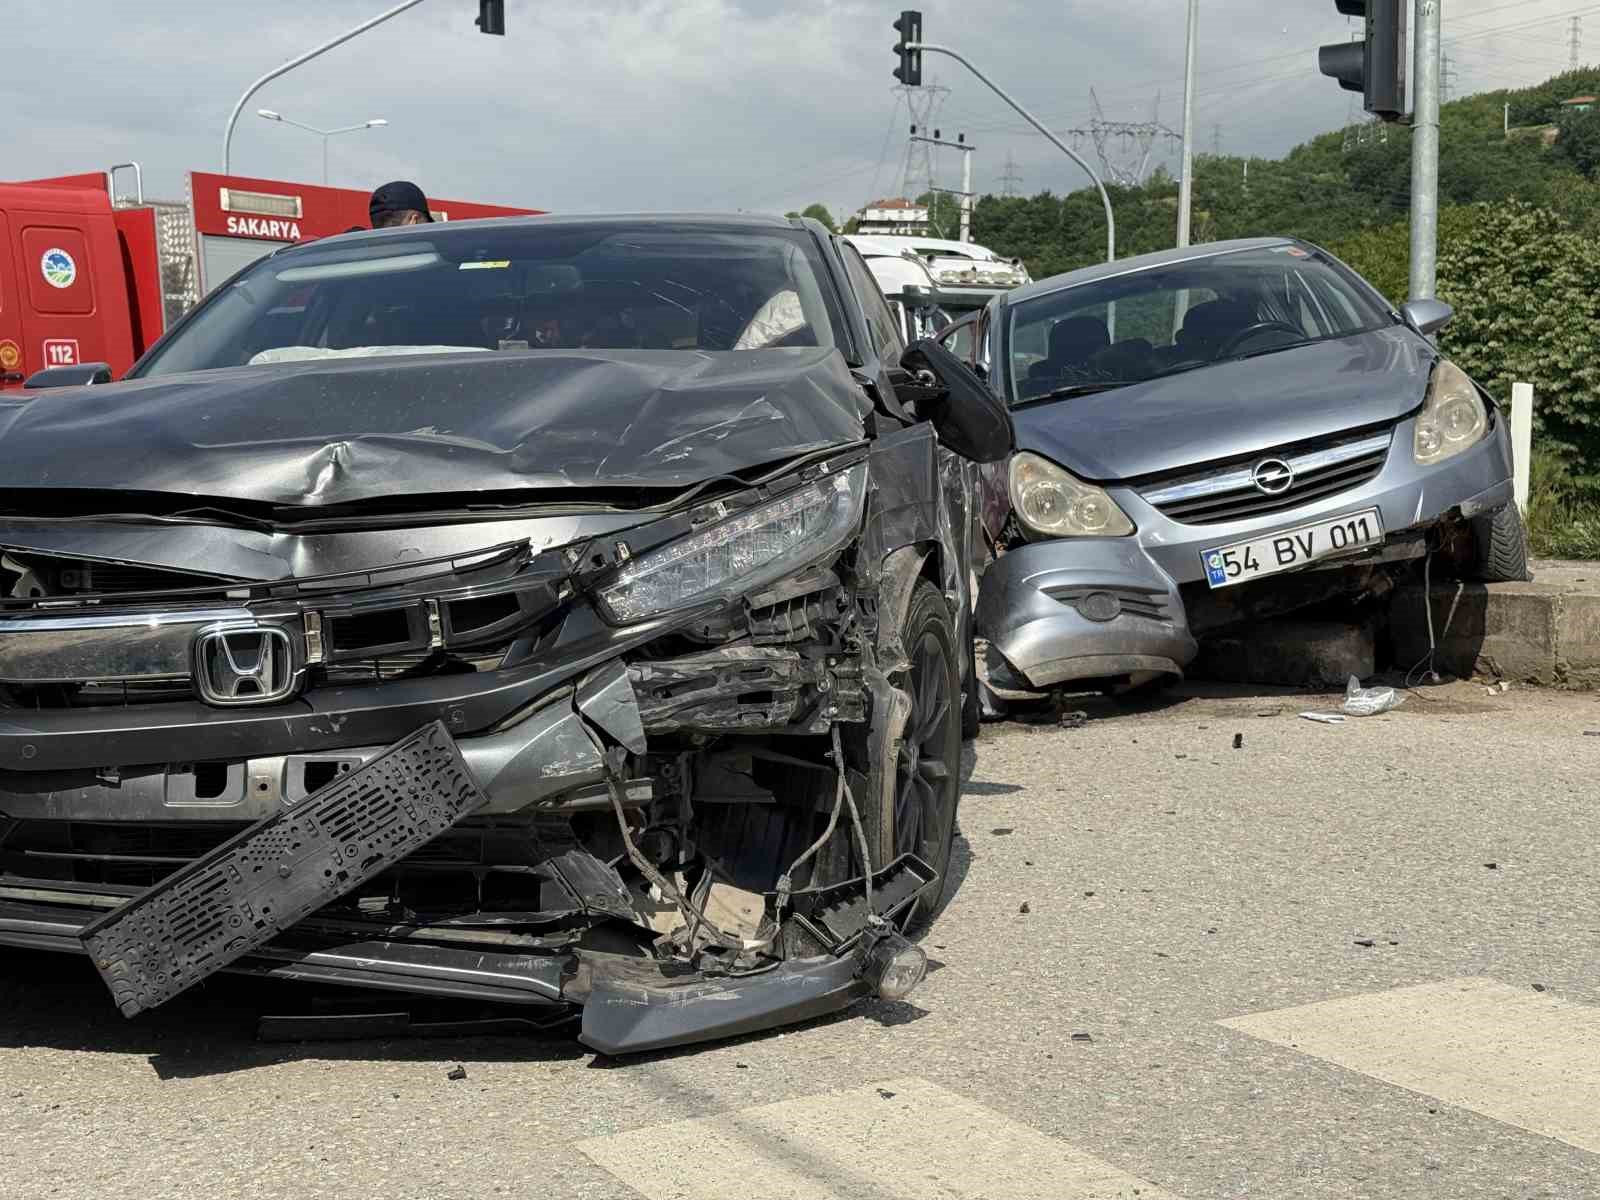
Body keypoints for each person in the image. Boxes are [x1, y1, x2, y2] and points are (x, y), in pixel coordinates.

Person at [369, 180, 434, 228]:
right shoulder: (429, 245)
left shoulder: (362, 244)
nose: (428, 228)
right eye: (427, 223)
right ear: (414, 220)